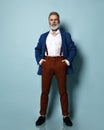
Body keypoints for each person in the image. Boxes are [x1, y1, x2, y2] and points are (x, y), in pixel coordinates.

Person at [35, 12, 77, 126]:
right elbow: (37, 49)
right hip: (47, 63)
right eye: (51, 19)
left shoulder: (65, 35)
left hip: (60, 63)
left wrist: (67, 61)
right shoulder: (44, 36)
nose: (53, 22)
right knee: (44, 91)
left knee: (63, 91)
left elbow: (73, 49)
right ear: (48, 21)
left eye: (55, 19)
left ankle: (65, 116)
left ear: (59, 21)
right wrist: (40, 60)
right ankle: (42, 115)